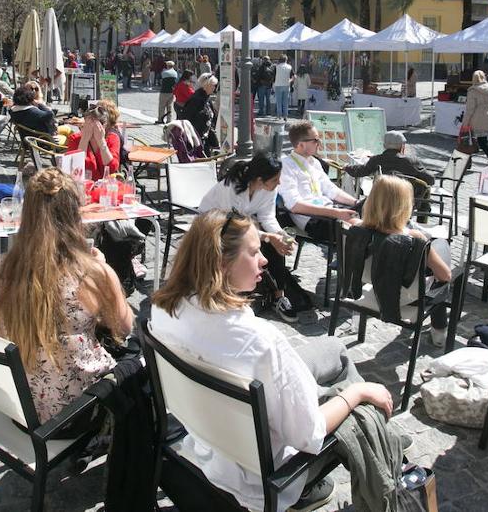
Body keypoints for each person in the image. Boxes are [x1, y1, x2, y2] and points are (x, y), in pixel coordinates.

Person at [150, 211, 393, 512]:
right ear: (221, 263)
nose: (264, 260)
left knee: (334, 349)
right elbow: (309, 435)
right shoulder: (261, 341)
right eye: (253, 253)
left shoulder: (162, 308)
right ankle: (383, 445)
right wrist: (357, 394)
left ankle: (385, 439)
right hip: (264, 479)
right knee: (361, 400)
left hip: (209, 438)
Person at [0, 168, 132, 425]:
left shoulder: (1, 268)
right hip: (80, 412)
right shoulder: (89, 273)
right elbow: (124, 326)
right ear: (74, 215)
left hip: (22, 407)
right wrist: (105, 272)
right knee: (138, 363)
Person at [198, 153, 308, 321]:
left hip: (239, 224)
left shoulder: (269, 188)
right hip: (212, 225)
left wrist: (282, 236)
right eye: (275, 179)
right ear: (259, 179)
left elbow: (267, 217)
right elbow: (232, 224)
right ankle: (235, 293)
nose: (279, 183)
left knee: (274, 244)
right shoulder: (232, 186)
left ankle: (279, 295)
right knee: (251, 244)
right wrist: (267, 236)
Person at [357, 176, 452, 345]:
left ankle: (439, 329)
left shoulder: (357, 229)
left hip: (371, 284)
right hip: (405, 298)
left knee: (437, 251)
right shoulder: (415, 239)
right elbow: (445, 276)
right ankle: (439, 330)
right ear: (404, 206)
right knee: (442, 253)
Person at [278, 120, 360, 243]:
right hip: (310, 219)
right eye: (315, 140)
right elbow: (294, 206)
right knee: (361, 228)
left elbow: (332, 190)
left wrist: (357, 202)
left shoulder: (314, 162)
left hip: (328, 210)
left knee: (375, 219)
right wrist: (336, 213)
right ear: (301, 145)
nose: (319, 143)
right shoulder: (286, 166)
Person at [342, 130, 436, 214]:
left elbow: (360, 171)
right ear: (402, 146)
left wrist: (347, 167)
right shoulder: (410, 161)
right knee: (424, 187)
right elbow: (430, 180)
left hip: (381, 199)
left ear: (384, 145)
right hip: (405, 201)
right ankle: (423, 217)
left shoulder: (376, 160)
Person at [64, 104, 120, 181]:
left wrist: (101, 142)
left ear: (104, 126)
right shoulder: (75, 139)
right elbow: (75, 167)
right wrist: (84, 139)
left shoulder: (112, 138)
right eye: (88, 124)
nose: (91, 128)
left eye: (96, 126)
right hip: (82, 184)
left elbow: (112, 168)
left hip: (105, 185)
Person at [463, 70, 488, 170]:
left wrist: (465, 123)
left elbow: (470, 109)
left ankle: (467, 163)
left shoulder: (472, 91)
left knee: (468, 141)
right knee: (483, 141)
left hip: (476, 118)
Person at [180, 73, 217, 152]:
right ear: (206, 85)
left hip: (205, 138)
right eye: (213, 85)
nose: (214, 87)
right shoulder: (196, 99)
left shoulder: (207, 98)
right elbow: (186, 118)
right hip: (196, 139)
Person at [273, 55, 293, 119]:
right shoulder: (289, 67)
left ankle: (279, 116)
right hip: (286, 85)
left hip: (278, 85)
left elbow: (273, 76)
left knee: (279, 102)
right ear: (286, 60)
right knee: (285, 102)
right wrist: (290, 80)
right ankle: (285, 116)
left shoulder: (277, 67)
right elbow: (294, 76)